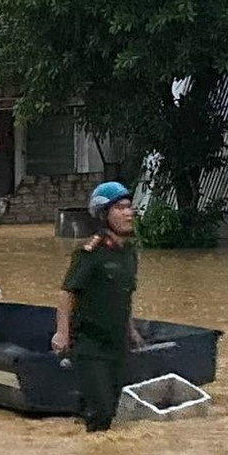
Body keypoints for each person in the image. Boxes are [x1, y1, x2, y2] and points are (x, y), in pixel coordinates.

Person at [51, 181, 144, 432]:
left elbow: (122, 296)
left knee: (109, 409)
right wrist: (62, 333)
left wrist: (132, 330)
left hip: (117, 344)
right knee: (102, 414)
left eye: (129, 207)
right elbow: (67, 292)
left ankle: (80, 439)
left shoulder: (129, 254)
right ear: (104, 214)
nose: (128, 213)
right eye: (120, 208)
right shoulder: (90, 253)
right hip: (91, 345)